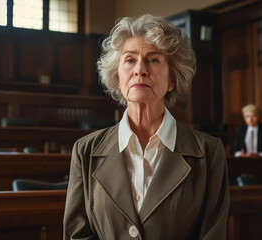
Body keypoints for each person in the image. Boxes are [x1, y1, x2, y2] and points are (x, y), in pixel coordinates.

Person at [63, 14, 229, 240]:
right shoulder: (85, 151)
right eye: (130, 60)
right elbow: (77, 235)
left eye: (153, 60)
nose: (140, 69)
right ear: (117, 75)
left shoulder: (209, 152)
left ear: (172, 79)